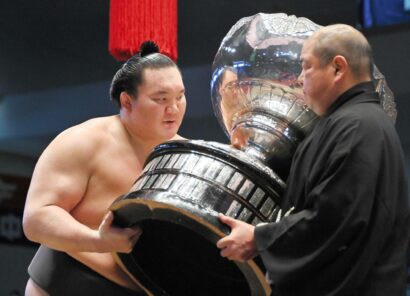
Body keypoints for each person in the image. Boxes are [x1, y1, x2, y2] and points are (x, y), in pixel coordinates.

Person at [217, 24, 410, 296]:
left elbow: (334, 218)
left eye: (306, 67)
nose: (299, 78)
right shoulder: (345, 123)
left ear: (337, 69)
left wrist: (259, 238)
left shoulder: (359, 127)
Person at [22, 41, 186, 296]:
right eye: (161, 99)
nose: (174, 109)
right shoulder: (83, 141)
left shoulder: (187, 156)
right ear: (127, 101)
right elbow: (36, 219)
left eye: (180, 97)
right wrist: (97, 242)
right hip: (65, 283)